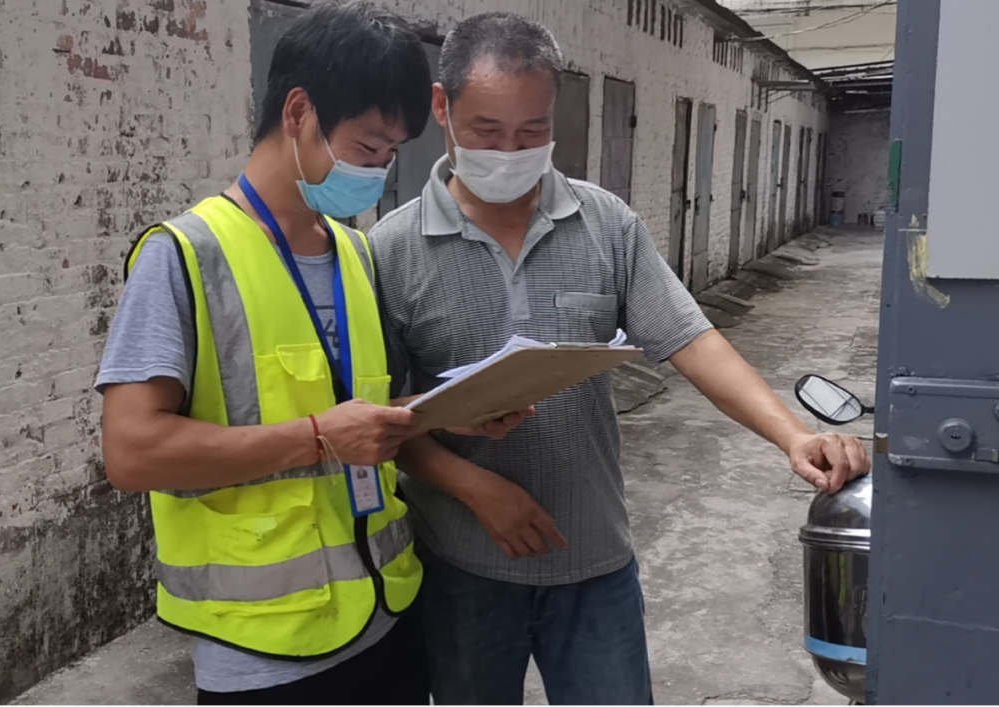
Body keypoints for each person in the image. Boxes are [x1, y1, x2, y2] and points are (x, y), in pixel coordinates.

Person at [369, 12, 871, 707]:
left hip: (594, 562)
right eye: (486, 131)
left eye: (533, 131)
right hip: (462, 565)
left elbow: (693, 341)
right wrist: (474, 487)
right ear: (441, 107)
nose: (509, 151)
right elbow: (380, 419)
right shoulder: (392, 250)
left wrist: (792, 435)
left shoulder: (604, 224)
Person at [96, 4, 452, 704]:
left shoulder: (355, 254)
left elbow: (356, 412)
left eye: (391, 154)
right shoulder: (185, 257)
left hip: (387, 614)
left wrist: (448, 410)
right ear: (298, 112)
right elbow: (132, 452)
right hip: (266, 653)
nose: (378, 170)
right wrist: (317, 438)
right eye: (367, 146)